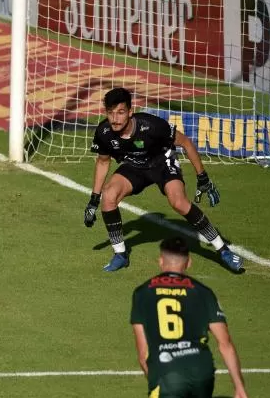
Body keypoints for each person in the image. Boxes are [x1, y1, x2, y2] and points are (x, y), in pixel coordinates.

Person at [130, 237, 253, 398]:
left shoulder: (142, 293)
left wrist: (158, 384)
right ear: (189, 262)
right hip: (201, 370)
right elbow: (226, 344)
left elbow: (143, 354)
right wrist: (240, 389)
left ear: (160, 261)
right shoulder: (203, 292)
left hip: (167, 374)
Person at [84, 87, 242, 273]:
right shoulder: (104, 132)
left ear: (130, 112)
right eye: (110, 113)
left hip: (162, 162)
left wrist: (202, 177)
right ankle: (120, 254)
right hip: (134, 166)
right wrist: (94, 199)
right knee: (108, 197)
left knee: (179, 202)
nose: (115, 118)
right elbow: (103, 163)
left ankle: (223, 250)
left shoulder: (152, 125)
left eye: (120, 112)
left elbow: (186, 143)